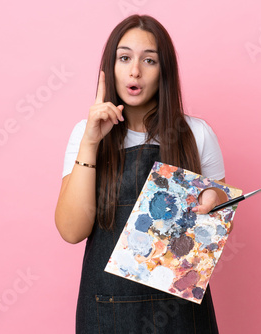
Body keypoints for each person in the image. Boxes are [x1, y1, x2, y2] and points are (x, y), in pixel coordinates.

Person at [55, 14, 229, 333]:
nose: (135, 70)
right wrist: (92, 141)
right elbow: (71, 230)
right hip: (106, 310)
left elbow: (214, 228)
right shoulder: (86, 134)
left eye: (149, 60)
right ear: (111, 67)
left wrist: (212, 201)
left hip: (180, 314)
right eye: (124, 58)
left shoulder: (197, 133)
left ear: (164, 71)